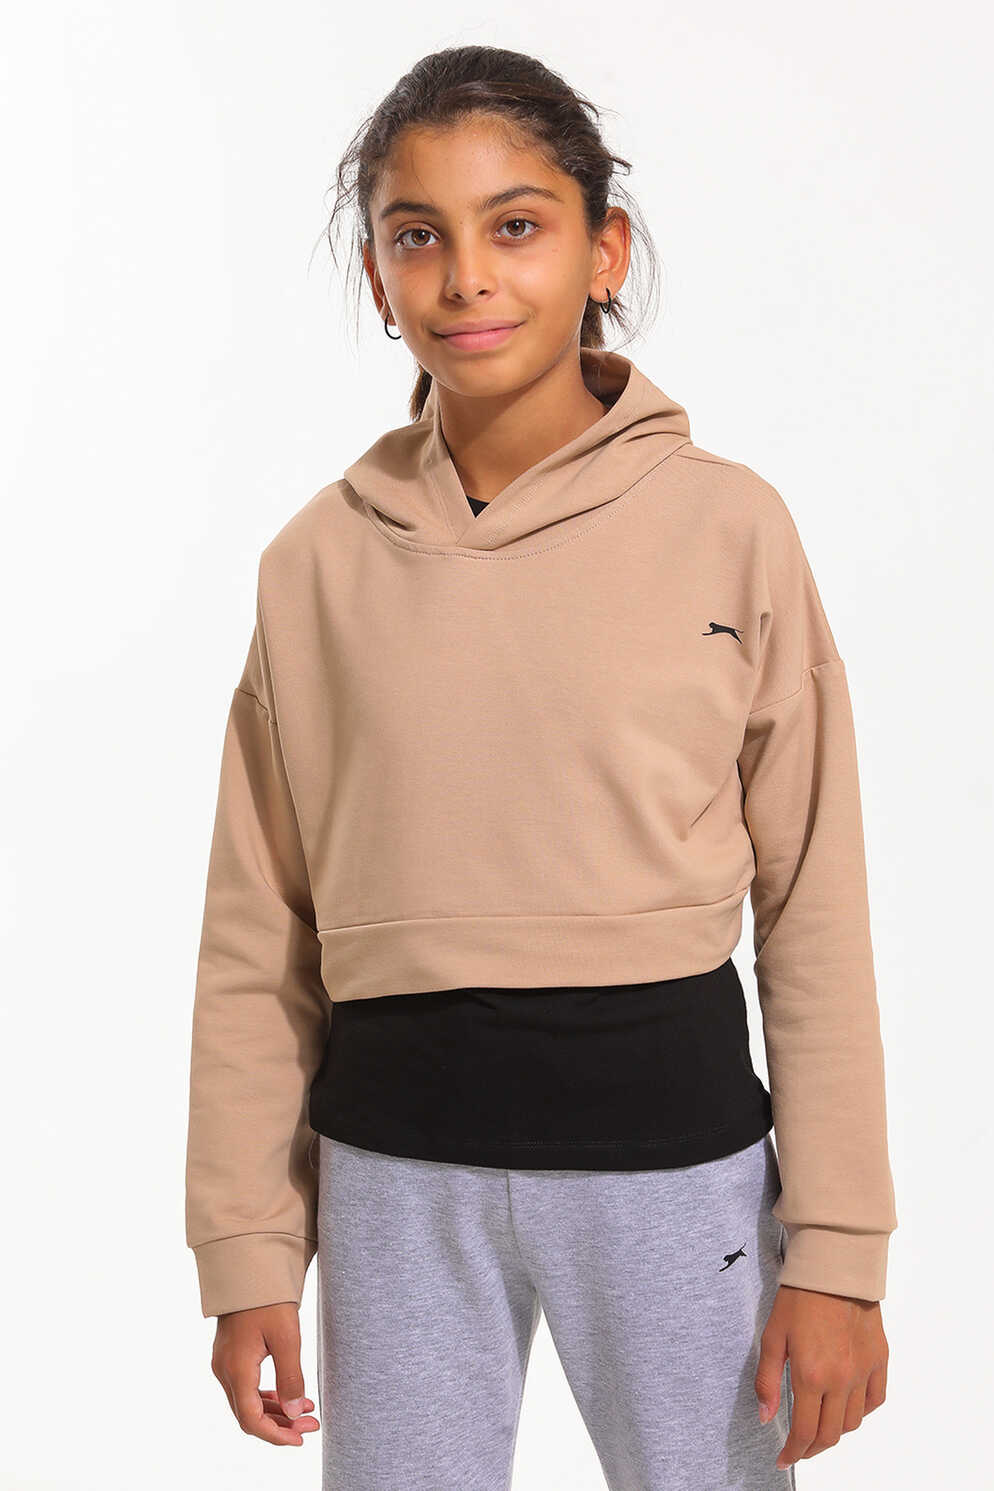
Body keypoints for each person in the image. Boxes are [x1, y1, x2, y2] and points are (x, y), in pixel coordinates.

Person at [184, 44, 898, 1491]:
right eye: (416, 236)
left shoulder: (729, 529)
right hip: (392, 1184)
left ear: (601, 250)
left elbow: (812, 901)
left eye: (515, 225)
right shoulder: (313, 565)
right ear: (377, 276)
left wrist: (838, 1250)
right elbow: (258, 929)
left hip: (673, 1171)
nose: (466, 277)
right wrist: (247, 1245)